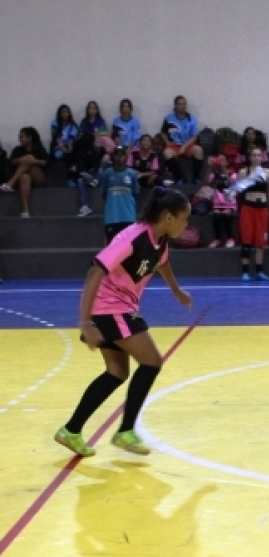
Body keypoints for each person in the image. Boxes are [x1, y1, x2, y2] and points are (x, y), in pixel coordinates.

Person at [53, 188, 193, 457]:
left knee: (116, 372)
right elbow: (95, 270)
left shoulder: (160, 240)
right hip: (109, 309)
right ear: (168, 217)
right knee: (152, 361)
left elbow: (162, 263)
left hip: (116, 309)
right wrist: (84, 322)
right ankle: (125, 431)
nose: (186, 225)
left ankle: (71, 430)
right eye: (184, 219)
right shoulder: (131, 238)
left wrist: (176, 291)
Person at [236, 146, 269, 281]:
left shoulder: (268, 172)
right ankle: (245, 271)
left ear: (262, 157)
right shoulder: (243, 172)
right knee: (246, 240)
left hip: (262, 209)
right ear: (249, 157)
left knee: (261, 241)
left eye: (259, 155)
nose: (256, 158)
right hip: (248, 208)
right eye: (254, 155)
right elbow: (238, 191)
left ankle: (259, 270)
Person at [1, 127, 49, 217]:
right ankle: (25, 210)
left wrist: (33, 161)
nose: (20, 139)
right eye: (20, 137)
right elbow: (12, 162)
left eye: (22, 137)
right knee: (25, 177)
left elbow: (45, 162)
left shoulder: (39, 149)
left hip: (39, 177)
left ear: (29, 138)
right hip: (23, 178)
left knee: (29, 159)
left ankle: (10, 183)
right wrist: (21, 159)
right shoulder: (17, 149)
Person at [99, 147, 140, 243]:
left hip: (128, 217)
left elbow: (136, 192)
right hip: (112, 218)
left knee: (129, 247)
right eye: (117, 154)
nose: (119, 157)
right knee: (112, 247)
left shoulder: (132, 174)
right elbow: (103, 193)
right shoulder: (107, 174)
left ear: (125, 156)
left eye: (121, 154)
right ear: (113, 156)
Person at [161, 95, 203, 184]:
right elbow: (163, 133)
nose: (182, 106)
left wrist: (184, 147)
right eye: (180, 104)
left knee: (198, 150)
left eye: (184, 104)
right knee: (166, 153)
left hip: (187, 145)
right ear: (175, 106)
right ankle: (179, 178)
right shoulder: (169, 118)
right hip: (174, 145)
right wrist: (167, 143)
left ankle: (195, 179)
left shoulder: (192, 119)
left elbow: (194, 136)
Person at [51, 104, 82, 187]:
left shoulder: (73, 125)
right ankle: (69, 178)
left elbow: (72, 139)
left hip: (68, 148)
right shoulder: (55, 123)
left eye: (66, 112)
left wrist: (70, 147)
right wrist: (63, 148)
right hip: (57, 148)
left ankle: (73, 178)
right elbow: (56, 137)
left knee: (75, 154)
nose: (65, 114)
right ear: (59, 113)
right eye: (63, 112)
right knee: (66, 155)